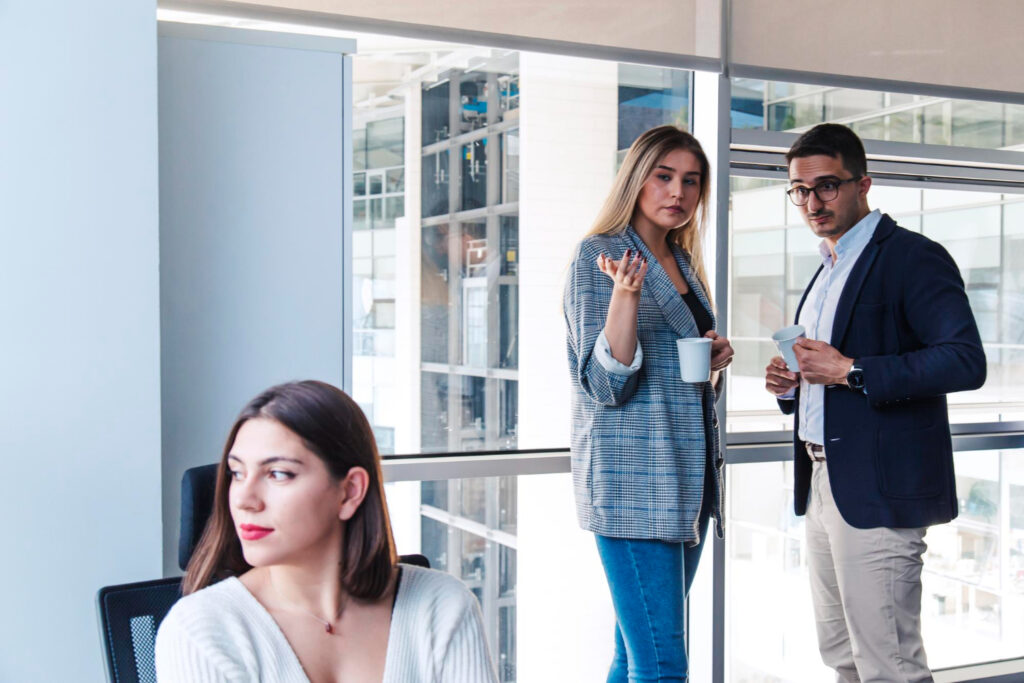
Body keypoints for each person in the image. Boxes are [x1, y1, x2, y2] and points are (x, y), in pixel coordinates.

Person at [763, 123, 986, 682]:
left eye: (827, 186)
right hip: (821, 480)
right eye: (800, 190)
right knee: (841, 655)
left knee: (889, 662)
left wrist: (849, 369)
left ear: (864, 183)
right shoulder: (827, 267)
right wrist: (794, 386)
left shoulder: (912, 257)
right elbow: (830, 375)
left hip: (880, 488)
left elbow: (964, 360)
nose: (812, 202)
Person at [155, 380, 497, 683]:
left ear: (349, 492)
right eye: (237, 473)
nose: (244, 500)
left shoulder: (441, 607)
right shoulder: (203, 630)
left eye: (277, 474)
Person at [564, 125, 734, 681]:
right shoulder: (601, 257)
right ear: (636, 180)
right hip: (633, 483)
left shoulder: (684, 265)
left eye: (691, 181)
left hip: (688, 483)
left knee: (636, 655)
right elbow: (605, 385)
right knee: (663, 668)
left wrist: (713, 361)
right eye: (664, 177)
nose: (677, 192)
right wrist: (626, 298)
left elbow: (680, 381)